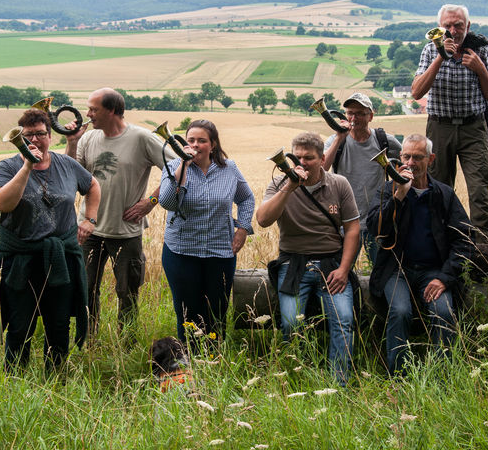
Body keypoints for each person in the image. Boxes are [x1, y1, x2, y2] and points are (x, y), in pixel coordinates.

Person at [0, 109, 101, 373]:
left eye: (40, 134)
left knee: (58, 324)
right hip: (21, 259)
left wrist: (89, 220)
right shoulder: (7, 167)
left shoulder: (67, 165)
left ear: (50, 136)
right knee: (19, 325)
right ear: (20, 138)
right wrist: (27, 165)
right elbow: (4, 203)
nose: (35, 140)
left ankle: (56, 380)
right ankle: (15, 382)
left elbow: (93, 186)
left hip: (58, 258)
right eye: (28, 135)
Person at [66, 88, 176, 337]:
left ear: (113, 110)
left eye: (94, 109)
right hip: (89, 229)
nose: (88, 114)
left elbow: (177, 167)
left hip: (126, 232)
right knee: (85, 290)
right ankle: (88, 340)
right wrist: (72, 142)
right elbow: (71, 177)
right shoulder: (87, 138)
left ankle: (126, 343)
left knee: (128, 293)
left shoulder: (142, 138)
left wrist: (150, 201)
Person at [256, 132, 359, 385]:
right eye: (297, 157)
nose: (302, 163)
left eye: (309, 158)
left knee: (344, 320)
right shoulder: (280, 184)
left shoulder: (339, 184)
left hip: (332, 264)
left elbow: (353, 228)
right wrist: (289, 188)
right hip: (294, 264)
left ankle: (339, 383)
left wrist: (344, 270)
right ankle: (296, 378)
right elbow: (262, 220)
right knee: (290, 323)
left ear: (323, 158)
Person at [367, 134, 472, 375]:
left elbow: (464, 239)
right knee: (401, 311)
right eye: (406, 156)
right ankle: (399, 376)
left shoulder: (444, 194)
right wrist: (399, 196)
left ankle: (443, 375)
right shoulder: (388, 189)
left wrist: (445, 277)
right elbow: (375, 228)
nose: (410, 162)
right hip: (396, 270)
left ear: (431, 159)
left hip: (434, 271)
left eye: (417, 157)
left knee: (444, 312)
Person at [159, 119, 255, 345]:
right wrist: (183, 165)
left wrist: (242, 227)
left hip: (220, 252)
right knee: (186, 312)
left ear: (212, 145)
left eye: (202, 141)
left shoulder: (228, 169)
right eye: (190, 140)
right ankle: (187, 362)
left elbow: (246, 198)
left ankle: (213, 359)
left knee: (216, 311)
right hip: (181, 252)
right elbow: (167, 202)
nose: (195, 145)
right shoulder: (173, 167)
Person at [411, 4, 488, 243]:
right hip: (440, 128)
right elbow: (417, 92)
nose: (452, 30)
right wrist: (440, 57)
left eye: (458, 25)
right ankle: (439, 246)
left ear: (468, 26)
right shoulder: (431, 50)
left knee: (479, 191)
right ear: (440, 28)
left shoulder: (482, 50)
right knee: (437, 189)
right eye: (447, 26)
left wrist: (481, 70)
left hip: (474, 128)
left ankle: (484, 253)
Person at [322, 92, 402, 263]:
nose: (354, 118)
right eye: (350, 113)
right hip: (345, 222)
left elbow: (405, 166)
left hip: (377, 221)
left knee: (381, 271)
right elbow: (321, 169)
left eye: (360, 113)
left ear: (371, 116)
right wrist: (338, 138)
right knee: (341, 271)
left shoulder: (385, 141)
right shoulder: (335, 141)